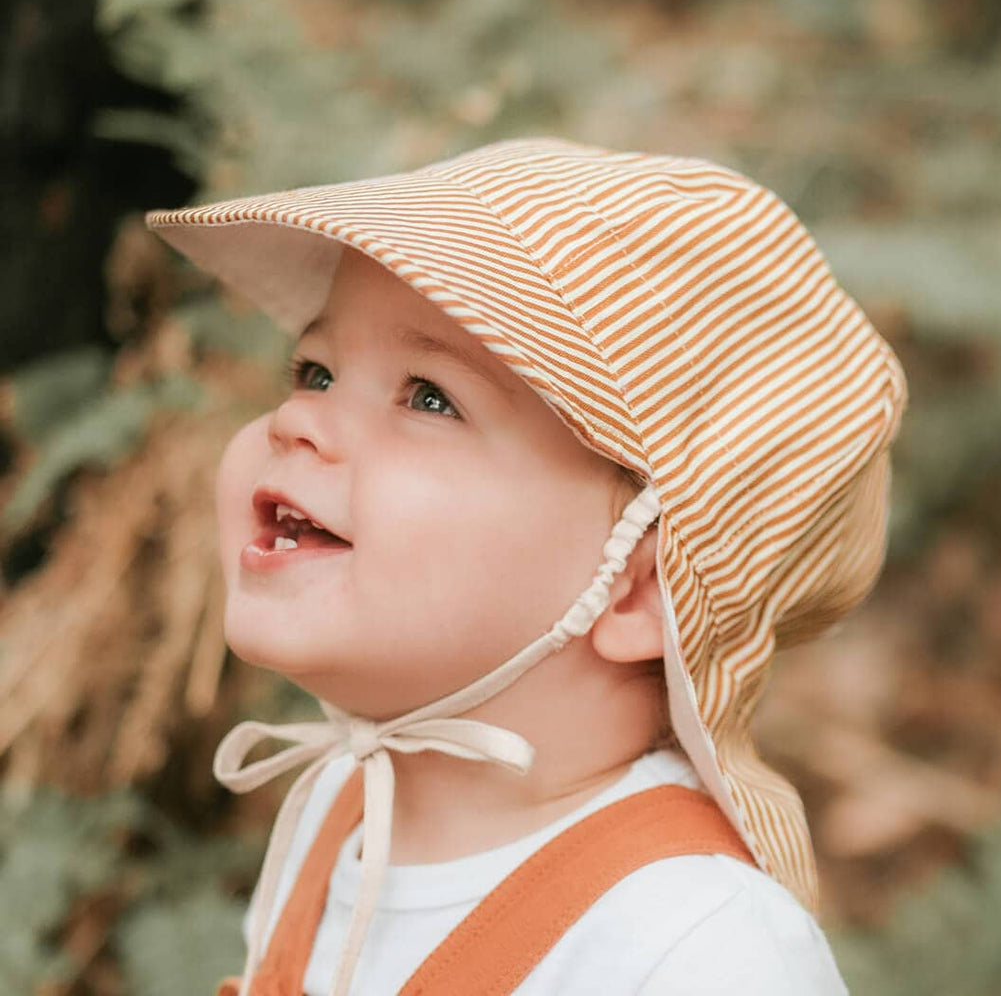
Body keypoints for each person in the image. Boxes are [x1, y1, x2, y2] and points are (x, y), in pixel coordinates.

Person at [146, 138, 906, 995]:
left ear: (639, 586)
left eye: (430, 397)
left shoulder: (696, 950)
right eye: (316, 371)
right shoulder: (339, 811)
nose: (293, 419)